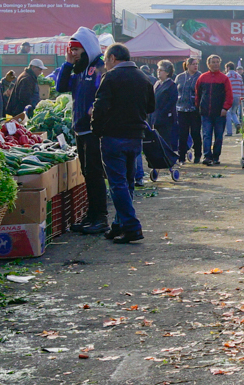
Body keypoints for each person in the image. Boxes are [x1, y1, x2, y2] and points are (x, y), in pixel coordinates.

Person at [91, 43, 154, 244]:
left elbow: (100, 106)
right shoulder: (143, 78)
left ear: (112, 58)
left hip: (114, 137)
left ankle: (131, 226)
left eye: (105, 60)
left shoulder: (110, 77)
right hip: (135, 137)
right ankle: (118, 225)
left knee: (118, 184)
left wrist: (96, 129)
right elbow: (151, 106)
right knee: (126, 183)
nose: (105, 64)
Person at [58, 27, 109, 235]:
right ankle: (91, 214)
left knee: (95, 173)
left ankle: (101, 217)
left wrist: (94, 108)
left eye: (76, 49)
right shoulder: (78, 69)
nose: (74, 53)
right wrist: (68, 64)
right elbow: (61, 87)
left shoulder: (98, 67)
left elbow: (103, 92)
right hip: (80, 129)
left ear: (87, 48)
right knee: (87, 173)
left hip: (93, 131)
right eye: (71, 49)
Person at [195, 54, 235, 166]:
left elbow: (229, 95)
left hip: (219, 112)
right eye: (213, 62)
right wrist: (198, 106)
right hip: (205, 112)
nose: (216, 64)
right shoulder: (202, 78)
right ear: (208, 64)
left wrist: (225, 108)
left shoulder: (224, 78)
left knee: (218, 136)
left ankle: (216, 156)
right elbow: (198, 94)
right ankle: (207, 156)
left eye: (217, 62)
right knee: (206, 134)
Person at [151, 60, 181, 183]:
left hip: (166, 119)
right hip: (155, 117)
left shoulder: (171, 85)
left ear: (167, 72)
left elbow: (172, 101)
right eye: (158, 69)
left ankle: (170, 164)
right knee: (155, 143)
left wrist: (163, 112)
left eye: (161, 70)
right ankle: (157, 165)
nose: (159, 72)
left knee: (165, 143)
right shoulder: (157, 84)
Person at [175, 57, 202, 163]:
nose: (195, 66)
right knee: (182, 134)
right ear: (187, 65)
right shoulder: (180, 77)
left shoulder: (200, 76)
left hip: (194, 110)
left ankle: (198, 155)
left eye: (196, 64)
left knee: (195, 132)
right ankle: (181, 156)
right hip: (181, 109)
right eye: (193, 64)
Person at [224, 59, 244, 136]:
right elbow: (242, 87)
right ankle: (237, 123)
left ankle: (229, 132)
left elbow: (225, 88)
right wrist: (241, 97)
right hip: (238, 96)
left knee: (228, 113)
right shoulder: (239, 76)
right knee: (234, 112)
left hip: (229, 97)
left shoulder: (227, 76)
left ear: (228, 68)